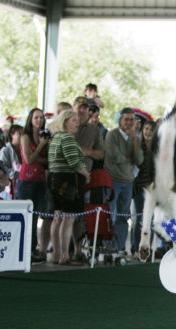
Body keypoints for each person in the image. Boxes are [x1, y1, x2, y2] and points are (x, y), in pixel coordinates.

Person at [47, 109, 90, 265]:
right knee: (68, 218)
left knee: (57, 218)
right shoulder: (67, 138)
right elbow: (74, 162)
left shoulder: (56, 138)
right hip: (68, 180)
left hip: (54, 179)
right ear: (65, 122)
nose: (77, 122)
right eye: (73, 120)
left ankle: (56, 254)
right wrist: (86, 174)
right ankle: (65, 254)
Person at [104, 107, 143, 256]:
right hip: (113, 179)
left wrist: (134, 140)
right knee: (110, 215)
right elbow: (116, 157)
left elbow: (139, 159)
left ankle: (120, 248)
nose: (129, 122)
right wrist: (128, 158)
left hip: (128, 181)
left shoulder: (136, 138)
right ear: (120, 120)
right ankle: (108, 247)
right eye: (126, 119)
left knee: (123, 216)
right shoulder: (112, 135)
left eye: (132, 120)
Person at [73, 96, 104, 261]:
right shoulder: (65, 125)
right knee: (59, 217)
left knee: (79, 217)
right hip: (64, 176)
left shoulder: (94, 130)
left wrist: (85, 151)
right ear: (73, 108)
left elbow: (101, 154)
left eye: (85, 108)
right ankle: (59, 252)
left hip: (85, 177)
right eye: (79, 107)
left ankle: (77, 251)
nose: (82, 110)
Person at [17, 108, 49, 263]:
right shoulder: (25, 136)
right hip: (27, 180)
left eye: (41, 117)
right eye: (36, 117)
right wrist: (42, 146)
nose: (39, 120)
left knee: (35, 216)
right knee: (25, 215)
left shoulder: (44, 136)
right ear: (30, 119)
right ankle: (21, 249)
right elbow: (28, 160)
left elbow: (47, 160)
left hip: (40, 180)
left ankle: (32, 249)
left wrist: (43, 147)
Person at [131, 120, 156, 258]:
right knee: (141, 218)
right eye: (146, 129)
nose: (148, 132)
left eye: (151, 130)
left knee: (151, 220)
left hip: (153, 189)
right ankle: (136, 248)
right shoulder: (138, 145)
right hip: (139, 188)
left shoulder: (157, 148)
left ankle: (147, 248)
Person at [0, 124, 23, 199]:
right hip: (8, 188)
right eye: (20, 134)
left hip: (21, 186)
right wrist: (20, 174)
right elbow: (3, 169)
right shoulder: (5, 149)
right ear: (12, 134)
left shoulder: (25, 149)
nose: (23, 136)